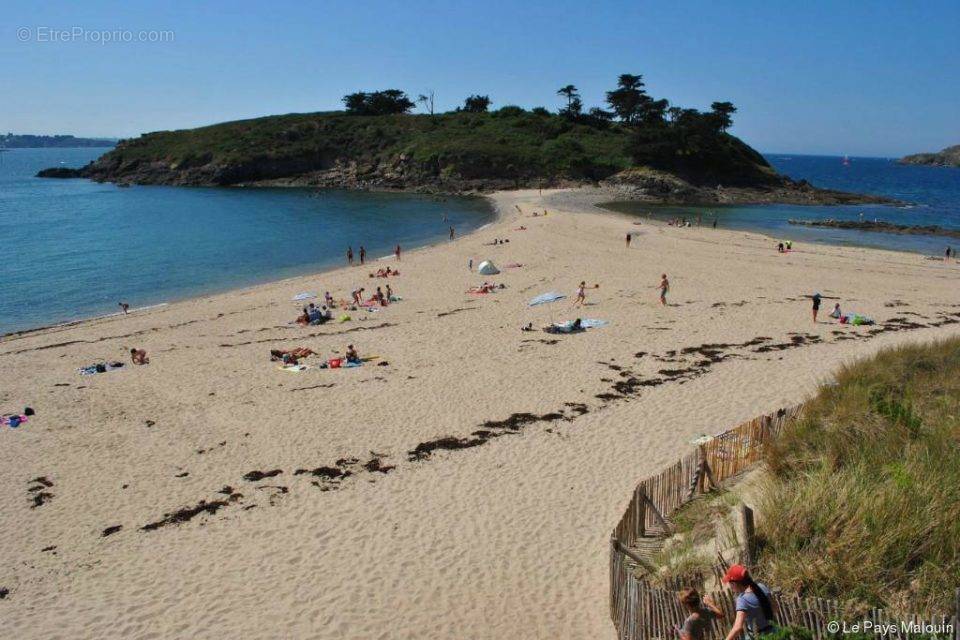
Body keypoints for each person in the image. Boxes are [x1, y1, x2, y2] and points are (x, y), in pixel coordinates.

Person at [721, 564, 776, 640]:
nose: (730, 586)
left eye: (729, 583)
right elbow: (775, 608)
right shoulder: (762, 586)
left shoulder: (742, 599)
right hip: (774, 631)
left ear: (734, 583)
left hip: (758, 636)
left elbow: (737, 627)